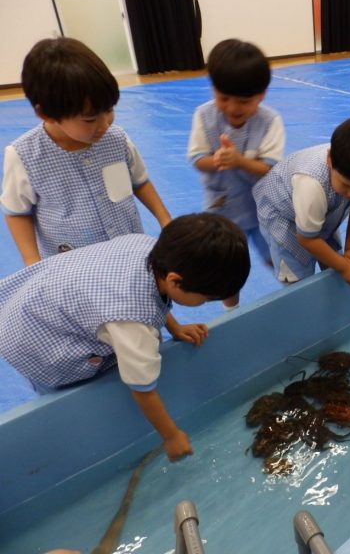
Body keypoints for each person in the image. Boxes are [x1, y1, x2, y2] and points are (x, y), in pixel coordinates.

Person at [0, 213, 251, 462]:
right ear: (175, 280)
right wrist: (171, 435)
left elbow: (155, 295)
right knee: (71, 397)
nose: (205, 302)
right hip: (37, 336)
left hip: (39, 295)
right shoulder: (132, 319)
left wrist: (173, 327)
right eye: (206, 298)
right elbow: (143, 389)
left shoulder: (149, 247)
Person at [1, 37, 171, 267]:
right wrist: (33, 262)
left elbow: (139, 182)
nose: (104, 124)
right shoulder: (24, 156)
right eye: (90, 119)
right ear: (47, 114)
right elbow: (17, 212)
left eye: (109, 110)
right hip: (73, 267)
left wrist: (165, 220)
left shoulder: (117, 139)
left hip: (130, 253)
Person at [187, 39, 285, 309]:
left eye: (244, 101)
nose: (232, 108)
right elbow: (197, 159)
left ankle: (292, 290)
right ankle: (231, 309)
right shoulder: (204, 116)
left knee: (275, 255)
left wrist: (239, 160)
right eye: (223, 98)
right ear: (213, 88)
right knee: (226, 267)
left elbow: (267, 167)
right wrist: (216, 160)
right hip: (222, 210)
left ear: (261, 95)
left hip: (262, 208)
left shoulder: (269, 121)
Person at [253, 118, 350, 286]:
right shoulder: (311, 185)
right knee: (298, 278)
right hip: (282, 213)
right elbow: (307, 239)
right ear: (329, 160)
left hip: (318, 208)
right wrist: (345, 268)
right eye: (346, 184)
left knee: (331, 255)